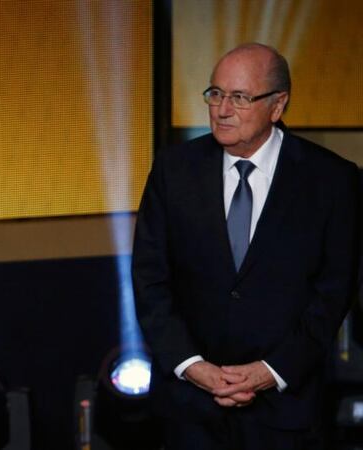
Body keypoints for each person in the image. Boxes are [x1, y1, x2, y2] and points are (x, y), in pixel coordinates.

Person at [132, 43, 360, 449]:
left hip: (286, 412)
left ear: (277, 105)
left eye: (239, 97)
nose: (221, 109)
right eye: (215, 94)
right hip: (189, 409)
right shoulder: (173, 170)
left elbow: (333, 293)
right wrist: (193, 367)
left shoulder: (332, 181)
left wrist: (270, 371)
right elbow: (150, 281)